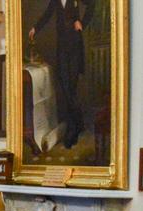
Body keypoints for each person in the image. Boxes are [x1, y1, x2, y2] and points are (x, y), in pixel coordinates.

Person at [29, 0, 94, 149]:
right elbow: (47, 14)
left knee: (70, 89)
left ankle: (72, 132)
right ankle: (78, 123)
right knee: (66, 89)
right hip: (62, 51)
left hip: (75, 50)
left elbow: (92, 4)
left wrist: (82, 22)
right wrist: (35, 28)